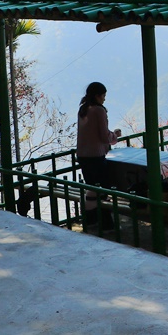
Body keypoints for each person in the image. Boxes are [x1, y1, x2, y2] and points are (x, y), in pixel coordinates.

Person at [76, 81, 120, 229]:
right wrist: (115, 135)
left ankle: (91, 220)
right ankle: (107, 224)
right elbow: (104, 136)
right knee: (103, 190)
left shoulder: (83, 109)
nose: (104, 99)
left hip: (83, 155)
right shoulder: (99, 111)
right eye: (103, 96)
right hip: (96, 156)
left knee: (92, 189)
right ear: (97, 95)